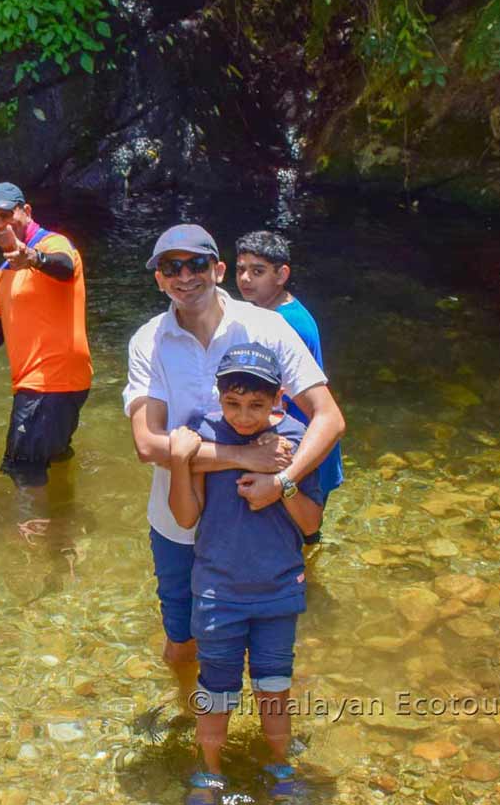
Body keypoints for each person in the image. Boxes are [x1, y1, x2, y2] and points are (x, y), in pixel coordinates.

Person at [123, 224, 345, 713]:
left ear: (218, 269)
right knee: (182, 637)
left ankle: (267, 743)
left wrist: (283, 482)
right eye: (170, 267)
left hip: (258, 520)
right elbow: (147, 444)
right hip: (180, 522)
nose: (184, 277)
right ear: (159, 279)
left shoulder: (266, 327)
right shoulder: (149, 341)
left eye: (196, 264)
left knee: (269, 645)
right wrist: (246, 457)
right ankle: (190, 718)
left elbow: (329, 418)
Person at [168, 344, 323, 801]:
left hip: (278, 589)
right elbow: (185, 517)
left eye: (257, 405)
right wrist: (180, 460)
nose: (243, 416)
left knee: (275, 685)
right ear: (218, 396)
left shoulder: (296, 438)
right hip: (218, 590)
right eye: (233, 403)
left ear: (278, 396)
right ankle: (210, 770)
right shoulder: (204, 434)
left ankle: (279, 763)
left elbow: (311, 524)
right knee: (216, 686)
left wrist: (283, 484)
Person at [0, 182, 92, 540]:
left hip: (51, 380)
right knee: (52, 457)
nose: (0, 224)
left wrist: (33, 258)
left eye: (7, 215)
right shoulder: (5, 272)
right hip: (43, 384)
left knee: (24, 468)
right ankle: (66, 529)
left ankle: (37, 553)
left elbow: (64, 268)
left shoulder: (52, 244)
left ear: (27, 212)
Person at [234, 230, 344, 504]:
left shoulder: (284, 324)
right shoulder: (279, 312)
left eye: (257, 271)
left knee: (295, 536)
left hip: (303, 450)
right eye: (241, 270)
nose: (246, 278)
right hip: (310, 449)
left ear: (281, 275)